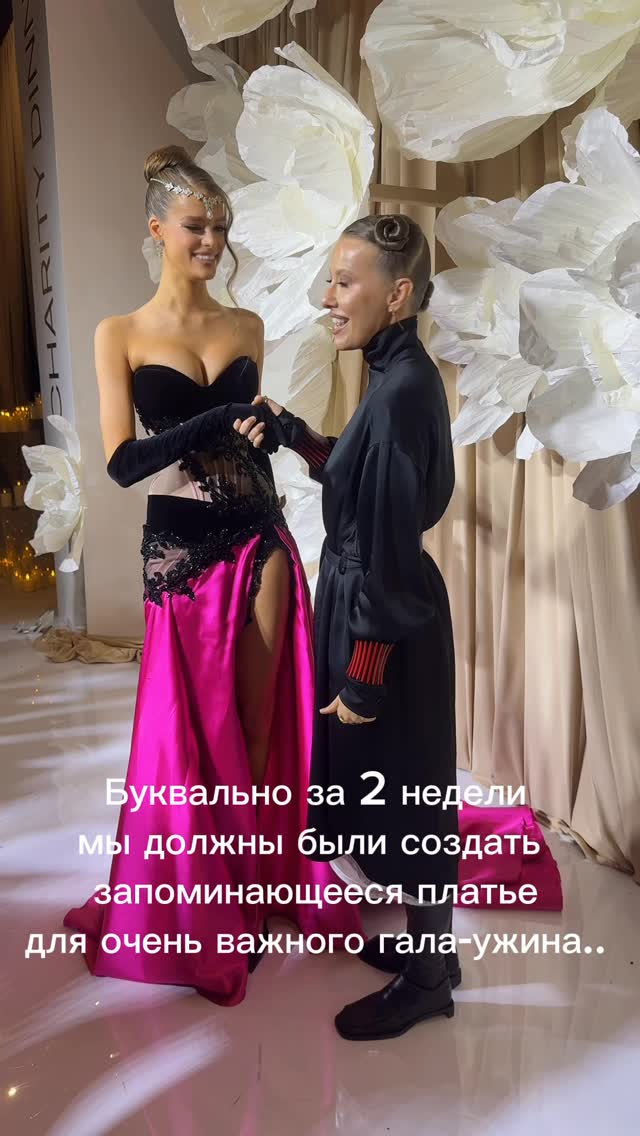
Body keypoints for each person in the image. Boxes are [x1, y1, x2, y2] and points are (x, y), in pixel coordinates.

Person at [63, 146, 359, 1006]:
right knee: (192, 733)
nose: (212, 243)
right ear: (157, 228)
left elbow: (257, 433)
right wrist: (221, 414)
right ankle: (203, 896)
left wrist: (269, 428)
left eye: (222, 229)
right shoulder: (119, 333)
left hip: (259, 531)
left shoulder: (247, 326)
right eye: (197, 227)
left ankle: (254, 887)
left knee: (260, 724)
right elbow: (123, 463)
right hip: (180, 548)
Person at [236, 214, 459, 1040]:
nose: (325, 298)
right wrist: (296, 436)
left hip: (384, 619)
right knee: (407, 787)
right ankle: (432, 954)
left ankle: (430, 980)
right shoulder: (397, 376)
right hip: (376, 604)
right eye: (329, 280)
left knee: (407, 796)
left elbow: (391, 547)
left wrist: (364, 676)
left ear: (396, 295)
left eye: (343, 282)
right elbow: (361, 480)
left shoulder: (399, 395)